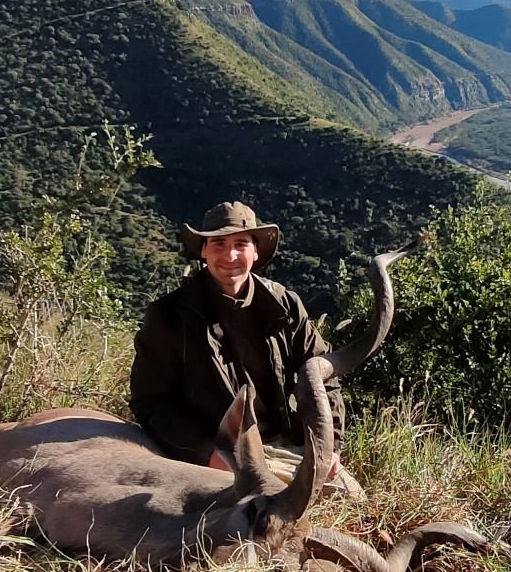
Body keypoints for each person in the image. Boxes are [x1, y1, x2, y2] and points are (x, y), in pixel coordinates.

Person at [130, 201, 361, 496]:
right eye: (218, 243)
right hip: (219, 454)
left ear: (256, 252)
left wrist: (328, 445)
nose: (230, 255)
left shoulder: (285, 305)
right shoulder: (169, 315)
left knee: (352, 501)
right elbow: (151, 402)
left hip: (287, 445)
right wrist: (206, 453)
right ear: (203, 250)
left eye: (241, 244)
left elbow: (322, 377)